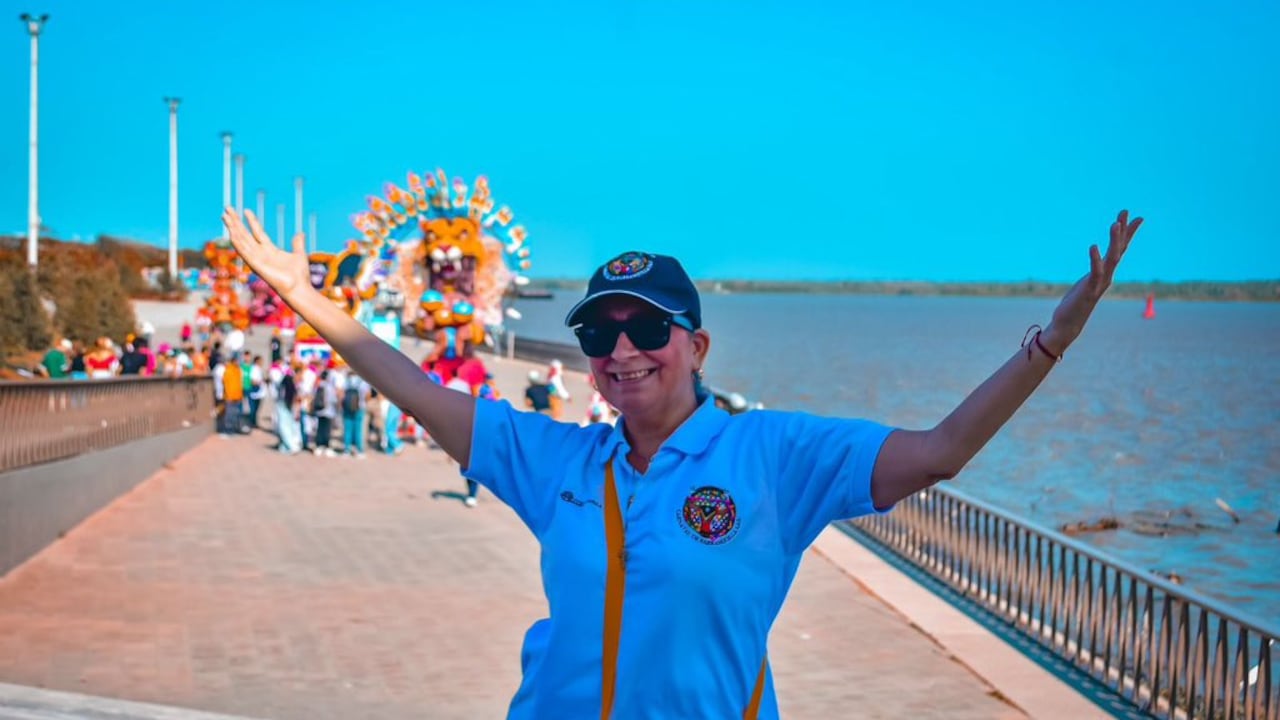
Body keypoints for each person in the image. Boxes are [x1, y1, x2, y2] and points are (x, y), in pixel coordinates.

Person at [222, 206, 1143, 718]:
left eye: (647, 328)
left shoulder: (775, 455)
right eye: (598, 332)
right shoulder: (559, 463)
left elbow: (941, 451)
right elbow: (412, 386)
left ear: (697, 344)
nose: (622, 350)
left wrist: (1051, 343)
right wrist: (305, 296)